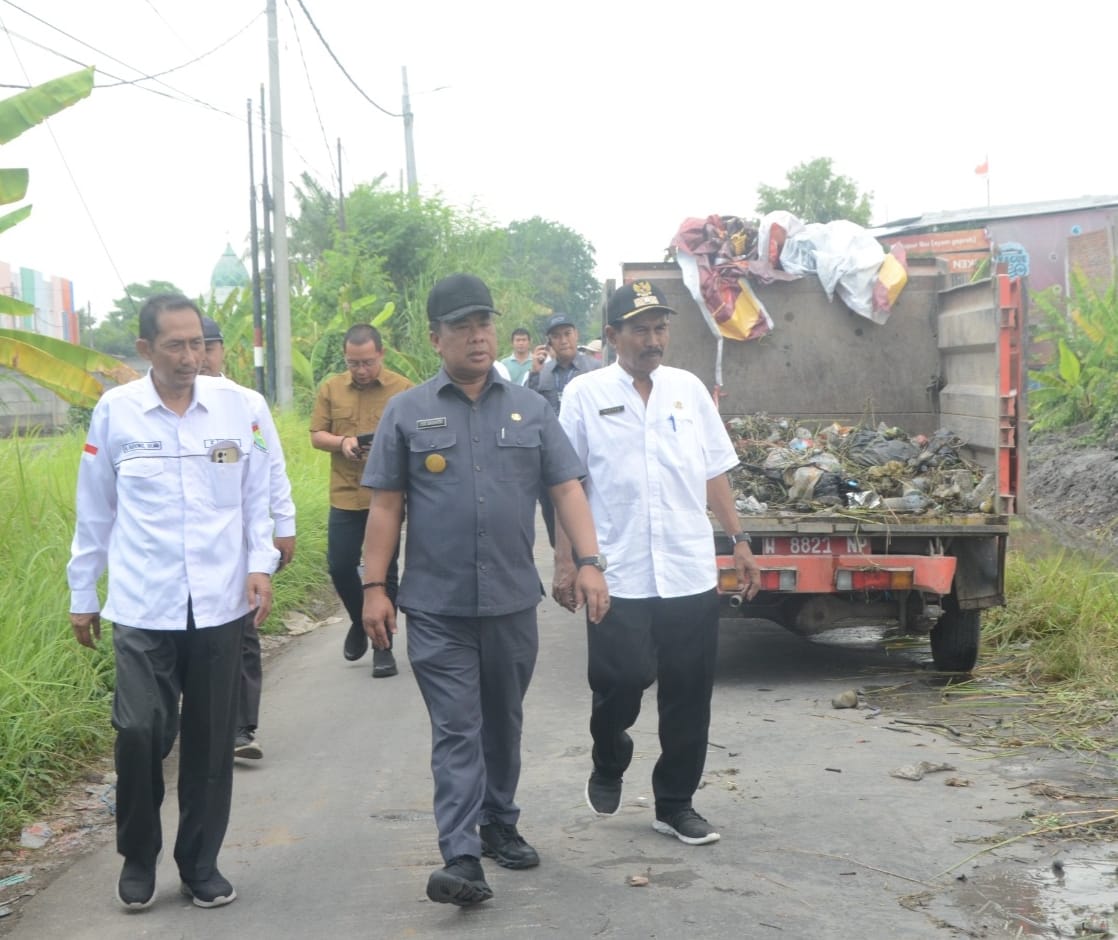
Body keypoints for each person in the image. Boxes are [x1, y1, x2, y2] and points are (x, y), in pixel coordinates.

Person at [360, 273, 609, 907]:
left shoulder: (530, 408)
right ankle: (462, 856)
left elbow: (566, 489)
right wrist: (373, 588)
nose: (478, 336)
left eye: (485, 324)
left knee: (504, 720)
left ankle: (500, 821)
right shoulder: (408, 411)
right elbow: (386, 507)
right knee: (457, 727)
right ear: (436, 336)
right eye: (464, 326)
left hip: (509, 603)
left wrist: (588, 561)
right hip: (437, 606)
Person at [67, 293, 278, 911]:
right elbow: (95, 509)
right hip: (141, 605)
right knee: (137, 732)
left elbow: (256, 492)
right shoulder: (116, 413)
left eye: (197, 344)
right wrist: (84, 593)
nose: (191, 357)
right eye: (175, 346)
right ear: (145, 351)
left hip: (218, 603)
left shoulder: (240, 409)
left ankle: (199, 864)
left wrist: (261, 564)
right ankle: (138, 856)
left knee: (212, 744)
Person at [552, 280, 762, 847]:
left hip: (688, 568)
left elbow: (713, 470)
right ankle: (609, 747)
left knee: (689, 695)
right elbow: (565, 483)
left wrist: (738, 539)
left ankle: (676, 803)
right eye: (640, 329)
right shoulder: (584, 393)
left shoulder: (687, 390)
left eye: (660, 328)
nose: (653, 339)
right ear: (613, 335)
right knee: (618, 681)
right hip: (615, 571)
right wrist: (567, 561)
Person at [199, 316, 295, 761]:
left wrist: (284, 524)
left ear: (220, 351)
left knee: (242, 630)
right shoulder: (145, 408)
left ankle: (240, 730)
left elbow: (268, 466)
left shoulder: (246, 405)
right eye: (186, 345)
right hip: (180, 554)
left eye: (207, 346)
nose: (197, 357)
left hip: (238, 546)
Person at [310, 324, 413, 677]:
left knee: (384, 570)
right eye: (353, 363)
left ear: (381, 354)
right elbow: (316, 434)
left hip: (385, 494)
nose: (361, 370)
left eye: (367, 362)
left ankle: (383, 647)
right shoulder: (331, 388)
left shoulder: (403, 390)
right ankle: (359, 618)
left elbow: (416, 436)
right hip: (345, 492)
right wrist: (342, 443)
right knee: (340, 564)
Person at [526, 313, 601, 545]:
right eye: (556, 336)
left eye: (567, 334)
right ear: (550, 343)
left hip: (586, 452)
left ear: (576, 335)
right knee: (552, 511)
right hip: (552, 454)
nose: (563, 340)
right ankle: (561, 556)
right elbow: (531, 407)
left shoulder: (595, 369)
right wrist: (534, 374)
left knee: (588, 508)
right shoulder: (544, 373)